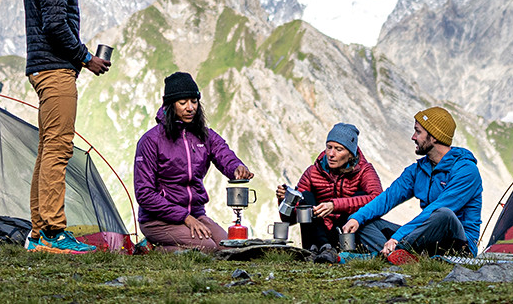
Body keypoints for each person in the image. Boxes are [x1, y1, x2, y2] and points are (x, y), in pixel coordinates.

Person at [24, 0, 110, 254]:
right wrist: (86, 58)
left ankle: (38, 233)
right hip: (55, 69)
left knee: (47, 149)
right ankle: (55, 233)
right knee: (58, 149)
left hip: (42, 67)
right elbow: (56, 24)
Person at [134, 72, 256, 254]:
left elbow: (224, 154)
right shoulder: (151, 140)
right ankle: (152, 250)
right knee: (206, 248)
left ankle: (170, 247)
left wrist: (237, 168)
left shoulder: (204, 135)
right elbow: (144, 194)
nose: (190, 108)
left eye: (194, 101)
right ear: (170, 104)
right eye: (183, 103)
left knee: (228, 248)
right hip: (158, 220)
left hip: (195, 214)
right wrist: (184, 217)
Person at [342, 107, 482, 264]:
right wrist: (356, 218)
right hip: (425, 240)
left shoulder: (466, 170)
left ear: (434, 137)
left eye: (418, 132)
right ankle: (398, 256)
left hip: (458, 244)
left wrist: (397, 237)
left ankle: (389, 254)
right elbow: (387, 198)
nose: (413, 137)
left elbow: (436, 209)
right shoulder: (418, 170)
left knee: (444, 214)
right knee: (365, 222)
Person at [276, 123, 383, 254]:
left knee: (361, 195)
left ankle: (341, 251)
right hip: (316, 238)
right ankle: (321, 248)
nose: (331, 154)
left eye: (339, 149)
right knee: (306, 197)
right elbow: (288, 220)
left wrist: (335, 205)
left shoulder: (364, 171)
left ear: (350, 153)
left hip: (346, 235)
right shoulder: (313, 172)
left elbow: (378, 199)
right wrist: (285, 200)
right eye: (329, 147)